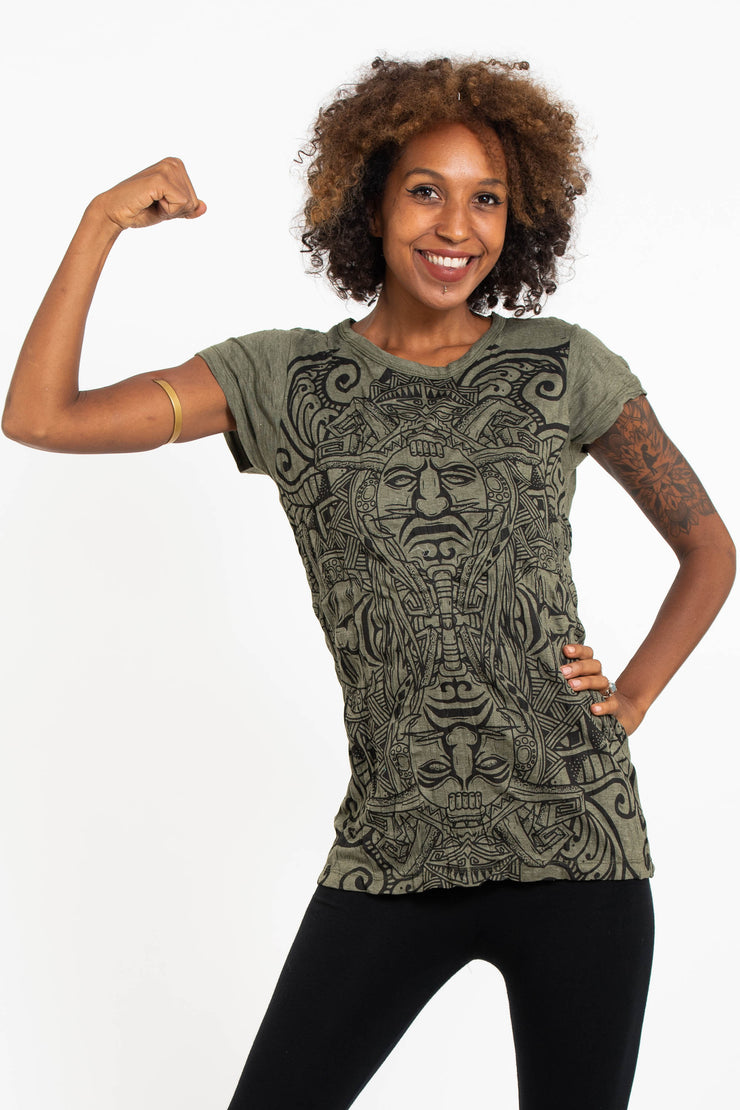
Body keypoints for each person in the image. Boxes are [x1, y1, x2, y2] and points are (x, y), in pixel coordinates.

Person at [3, 56, 734, 1110]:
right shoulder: (282, 380)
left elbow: (708, 546)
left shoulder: (560, 366)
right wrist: (98, 223)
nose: (457, 227)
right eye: (426, 190)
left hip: (579, 846)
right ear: (371, 200)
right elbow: (41, 417)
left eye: (487, 199)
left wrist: (636, 692)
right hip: (393, 850)